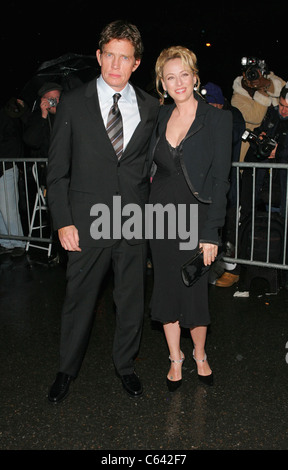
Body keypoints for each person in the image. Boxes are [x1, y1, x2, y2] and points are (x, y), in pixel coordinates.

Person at [46, 20, 159, 403]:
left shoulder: (150, 107)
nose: (115, 64)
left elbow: (153, 164)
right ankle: (66, 369)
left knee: (130, 299)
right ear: (98, 56)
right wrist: (62, 221)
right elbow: (57, 170)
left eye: (124, 57)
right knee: (79, 299)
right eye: (109, 54)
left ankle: (125, 366)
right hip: (85, 221)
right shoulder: (73, 103)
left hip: (131, 221)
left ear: (136, 63)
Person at [148, 46, 232, 391]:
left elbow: (220, 179)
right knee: (167, 289)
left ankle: (199, 353)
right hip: (161, 216)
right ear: (162, 84)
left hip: (197, 216)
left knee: (194, 289)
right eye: (170, 77)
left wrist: (212, 232)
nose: (178, 82)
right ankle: (175, 358)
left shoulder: (217, 119)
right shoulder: (158, 117)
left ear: (195, 76)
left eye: (184, 74)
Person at [201, 82, 245, 287]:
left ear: (218, 104)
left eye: (211, 104)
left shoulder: (232, 116)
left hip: (229, 185)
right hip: (207, 185)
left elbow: (230, 138)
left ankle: (231, 270)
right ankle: (208, 268)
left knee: (229, 229)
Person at [231, 56, 285, 163]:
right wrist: (262, 91)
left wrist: (267, 84)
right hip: (250, 152)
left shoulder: (268, 81)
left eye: (256, 72)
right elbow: (256, 117)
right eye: (249, 73)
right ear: (243, 75)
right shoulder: (237, 99)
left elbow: (284, 90)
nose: (253, 76)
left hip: (276, 148)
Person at [0, 97, 30, 256]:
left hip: (7, 168)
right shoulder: (10, 119)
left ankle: (17, 242)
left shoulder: (13, 120)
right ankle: (6, 241)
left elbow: (14, 145)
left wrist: (23, 108)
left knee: (9, 207)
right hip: (6, 167)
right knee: (3, 208)